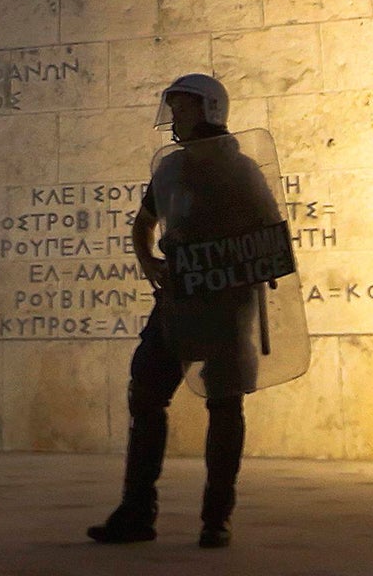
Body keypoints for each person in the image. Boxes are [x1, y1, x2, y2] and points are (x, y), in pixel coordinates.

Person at [88, 73, 284, 550]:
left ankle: (216, 517)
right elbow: (145, 222)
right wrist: (147, 260)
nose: (175, 117)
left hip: (224, 301)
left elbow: (270, 235)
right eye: (172, 108)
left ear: (208, 109)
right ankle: (137, 511)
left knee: (224, 402)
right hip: (178, 300)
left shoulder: (241, 169)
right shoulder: (171, 168)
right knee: (148, 393)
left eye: (182, 108)